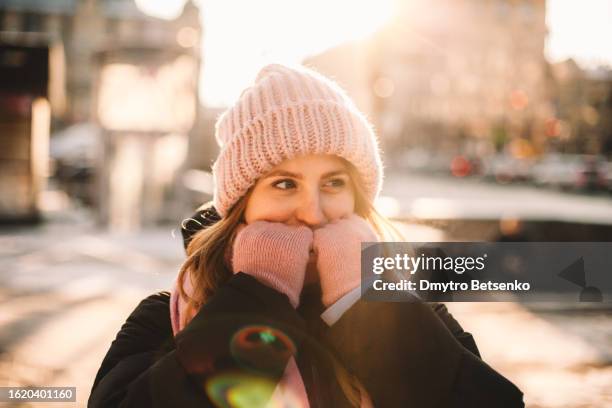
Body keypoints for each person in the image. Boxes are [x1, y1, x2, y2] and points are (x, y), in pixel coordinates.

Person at [88, 64, 524, 407]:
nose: (313, 213)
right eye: (284, 183)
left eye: (334, 183)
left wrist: (361, 305)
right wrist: (258, 299)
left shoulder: (415, 313)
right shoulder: (161, 320)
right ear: (242, 203)